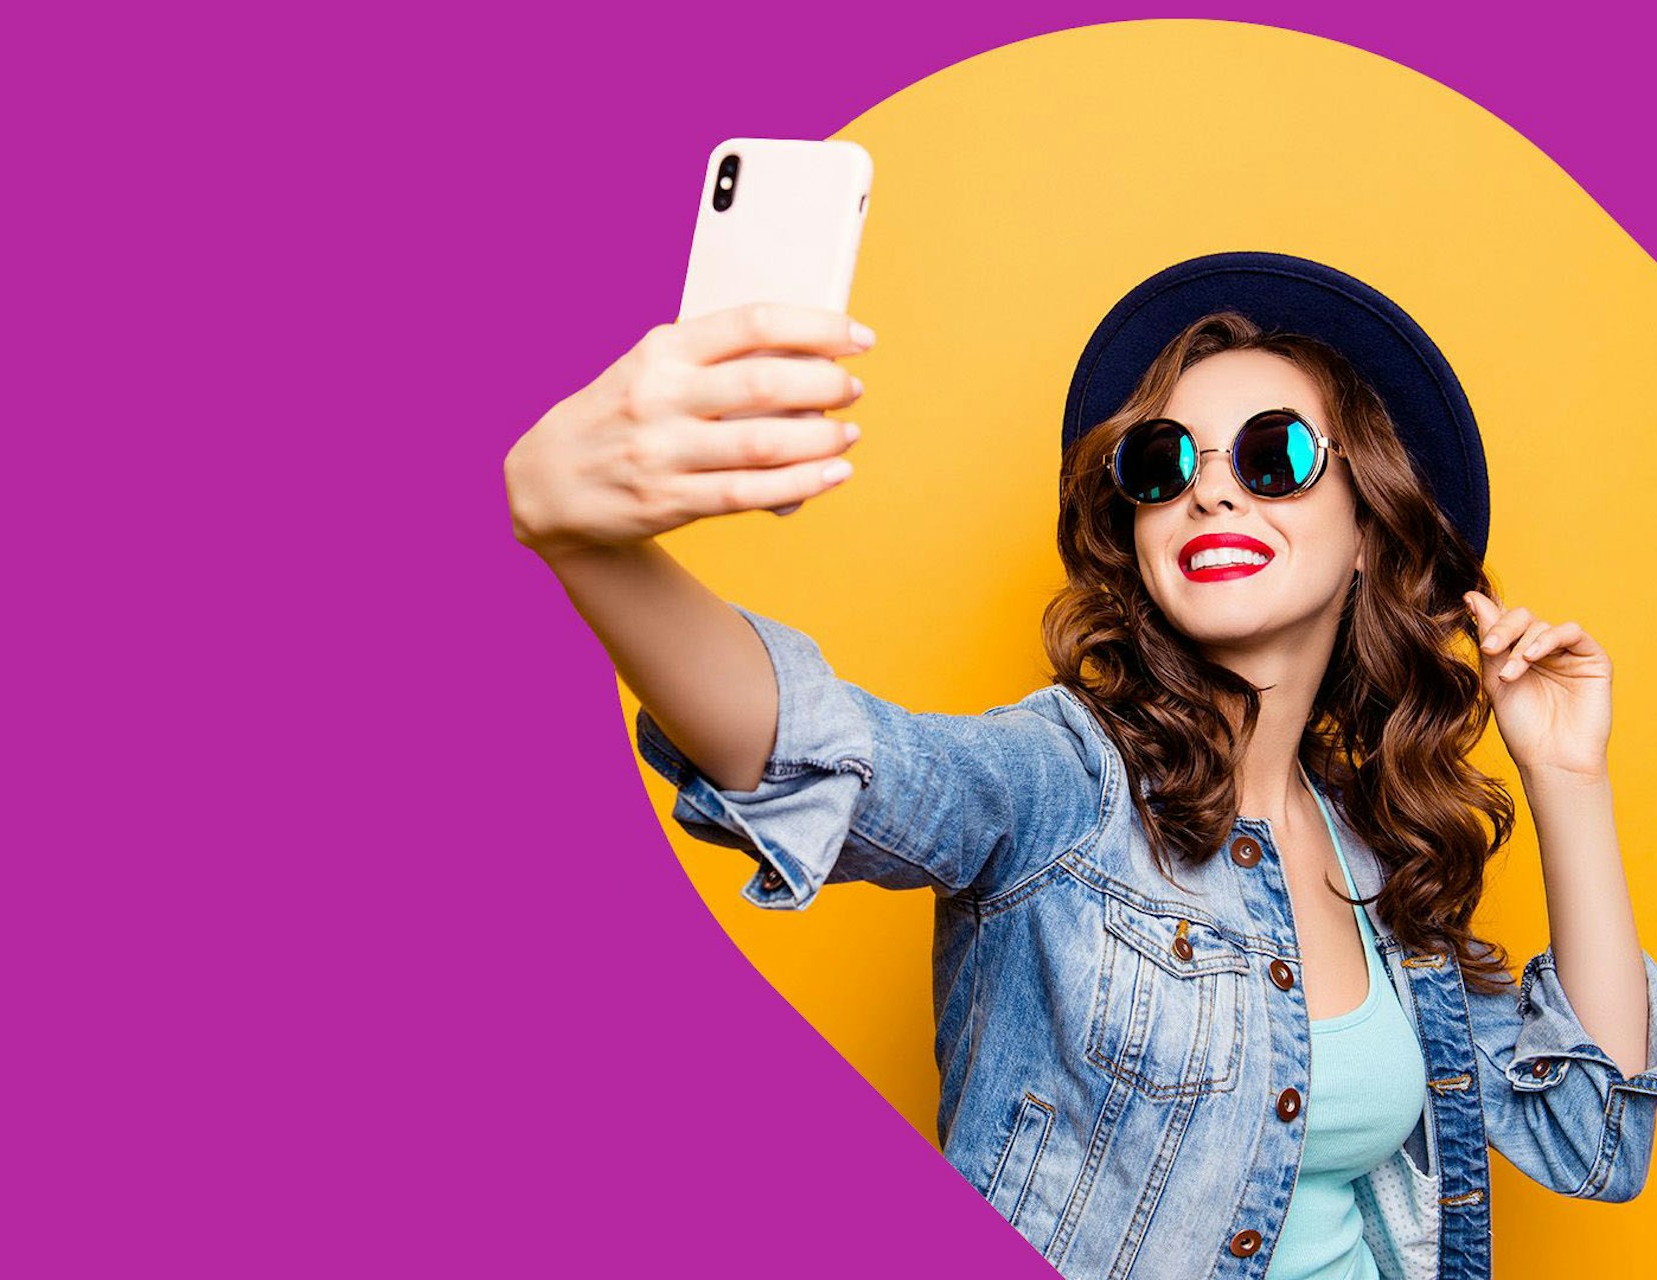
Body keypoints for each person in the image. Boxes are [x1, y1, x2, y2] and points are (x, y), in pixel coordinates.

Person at [502, 251, 1657, 1279]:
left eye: (1275, 454)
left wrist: (1568, 777)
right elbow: (830, 753)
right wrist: (589, 546)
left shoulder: (1375, 851)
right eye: (1162, 462)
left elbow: (1594, 1138)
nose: (1211, 488)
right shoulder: (1066, 780)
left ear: (1370, 530)